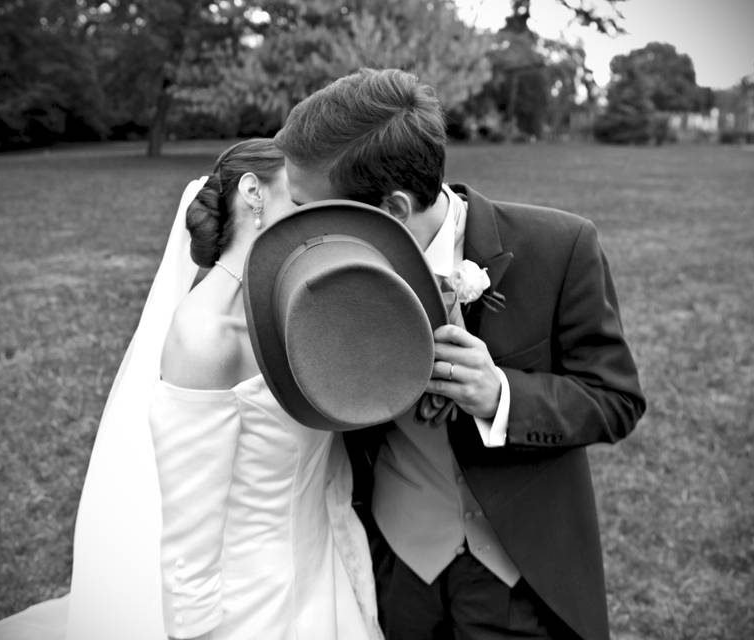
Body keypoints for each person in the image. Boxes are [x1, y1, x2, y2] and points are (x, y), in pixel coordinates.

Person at [273, 69, 647, 640]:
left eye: (312, 209)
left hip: (517, 574)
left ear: (392, 210)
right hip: (395, 567)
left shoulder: (560, 247)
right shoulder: (315, 278)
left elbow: (617, 399)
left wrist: (502, 396)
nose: (295, 227)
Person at [0, 139, 382, 640]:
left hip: (325, 565)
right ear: (253, 193)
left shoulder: (300, 306)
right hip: (253, 609)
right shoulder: (205, 336)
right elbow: (191, 536)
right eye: (298, 197)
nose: (317, 213)